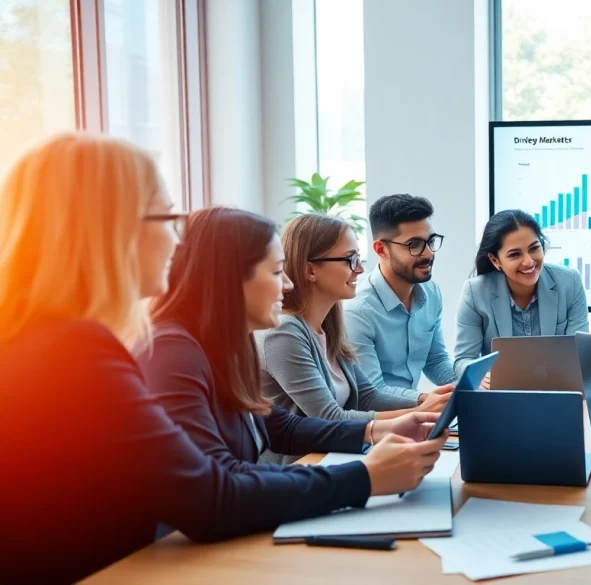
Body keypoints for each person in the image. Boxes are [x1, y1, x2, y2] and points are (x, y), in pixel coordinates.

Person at [0, 134, 435, 584]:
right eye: (168, 220)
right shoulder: (85, 353)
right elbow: (209, 496)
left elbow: (262, 425)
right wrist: (364, 476)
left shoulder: (55, 342)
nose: (177, 243)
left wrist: (371, 433)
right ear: (110, 229)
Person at [139, 206, 447, 474]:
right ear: (229, 279)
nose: (286, 283)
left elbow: (283, 425)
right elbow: (220, 484)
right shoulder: (178, 354)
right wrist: (365, 475)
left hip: (302, 475)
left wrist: (394, 421)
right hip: (291, 475)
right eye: (276, 272)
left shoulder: (233, 347)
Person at [254, 214, 453, 462]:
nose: (359, 268)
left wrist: (429, 401)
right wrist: (419, 412)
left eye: (358, 258)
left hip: (337, 458)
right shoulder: (284, 332)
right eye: (350, 259)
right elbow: (330, 417)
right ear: (310, 270)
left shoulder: (331, 324)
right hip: (299, 470)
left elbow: (368, 396)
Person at [453, 209, 589, 382]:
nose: (529, 261)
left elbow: (579, 355)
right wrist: (480, 376)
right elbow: (462, 360)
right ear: (495, 260)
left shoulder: (570, 282)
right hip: (502, 393)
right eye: (515, 254)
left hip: (556, 387)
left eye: (534, 248)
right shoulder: (475, 292)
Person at [345, 194, 459, 399]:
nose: (428, 254)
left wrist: (473, 384)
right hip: (377, 425)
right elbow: (372, 394)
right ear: (381, 249)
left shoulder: (431, 293)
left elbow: (435, 360)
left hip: (414, 416)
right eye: (414, 245)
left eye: (430, 241)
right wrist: (427, 400)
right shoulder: (358, 312)